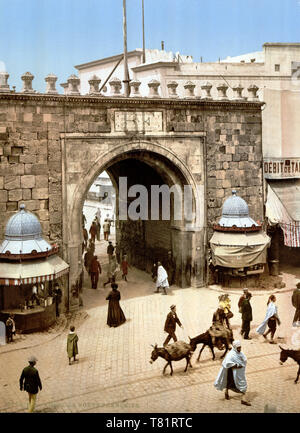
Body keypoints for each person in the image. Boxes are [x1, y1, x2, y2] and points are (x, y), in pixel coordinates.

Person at [214, 340, 251, 406]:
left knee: (240, 384)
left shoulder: (240, 353)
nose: (239, 349)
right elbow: (227, 363)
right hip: (232, 372)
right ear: (234, 347)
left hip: (239, 373)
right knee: (232, 382)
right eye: (238, 348)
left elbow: (244, 359)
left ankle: (241, 398)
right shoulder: (230, 355)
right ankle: (242, 399)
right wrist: (237, 365)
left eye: (240, 347)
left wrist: (243, 362)